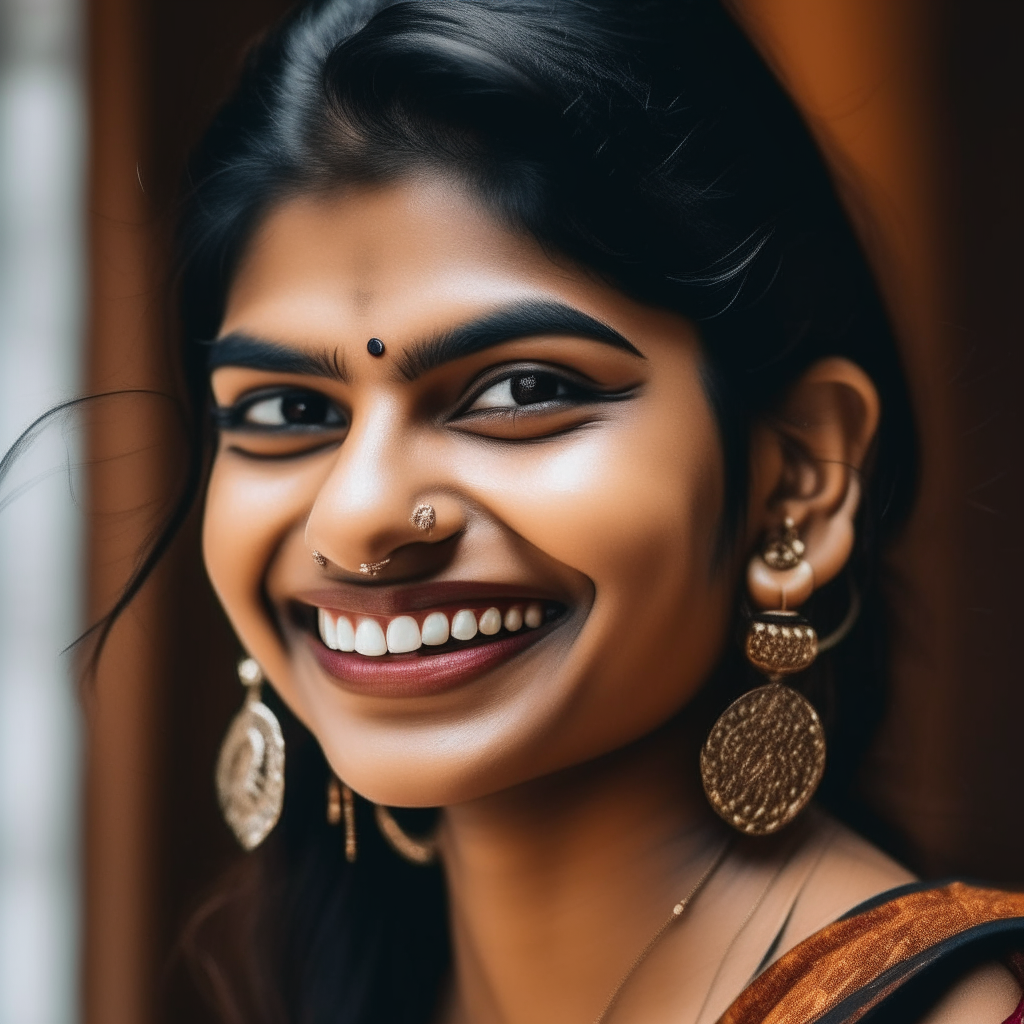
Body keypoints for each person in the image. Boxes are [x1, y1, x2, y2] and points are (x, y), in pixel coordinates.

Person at [127, 0, 1024, 1020]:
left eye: (520, 391)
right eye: (289, 411)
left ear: (797, 475)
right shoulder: (318, 983)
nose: (358, 515)